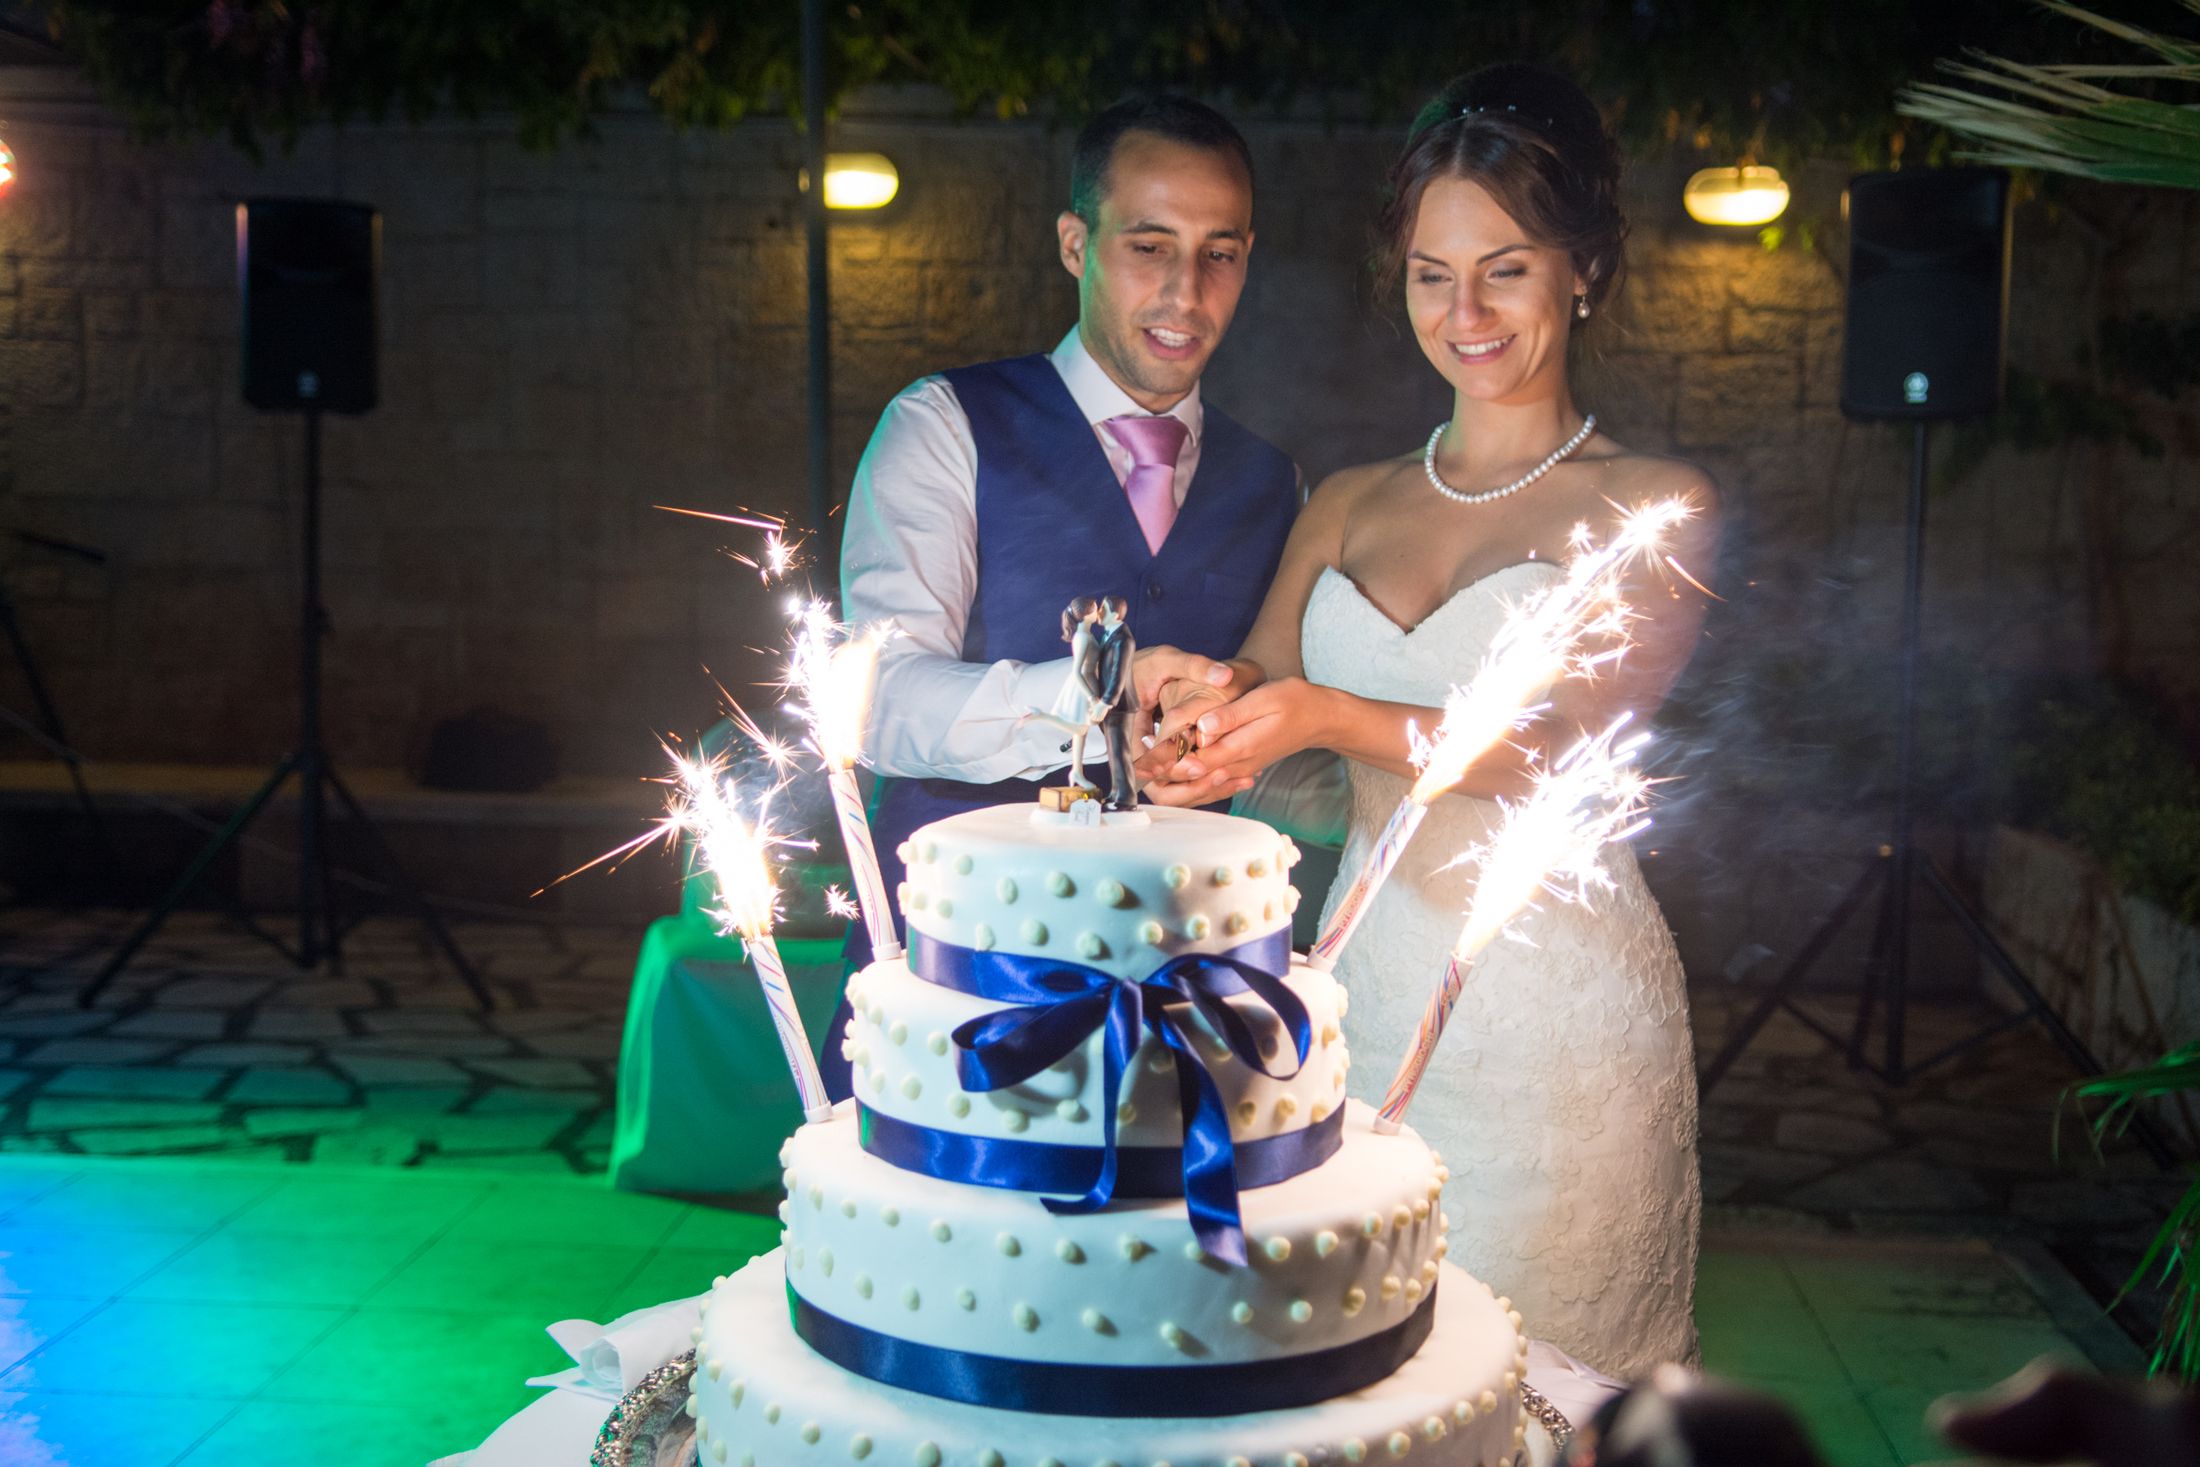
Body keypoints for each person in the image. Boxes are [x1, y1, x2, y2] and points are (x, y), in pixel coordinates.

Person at [1137, 63, 1720, 1377]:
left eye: (1504, 271)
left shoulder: (1655, 504)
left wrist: (1328, 712)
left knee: (1538, 1397)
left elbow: (1563, 749)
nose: (1464, 314)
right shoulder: (1347, 500)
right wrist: (1192, 723)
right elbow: (1260, 711)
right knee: (1354, 1399)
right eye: (1429, 274)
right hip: (1349, 1008)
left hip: (1556, 1032)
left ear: (1584, 268)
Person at [824, 94, 1302, 1097]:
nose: (1185, 291)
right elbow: (879, 702)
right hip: (960, 993)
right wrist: (1091, 697)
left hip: (1193, 1007)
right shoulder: (944, 423)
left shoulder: (1278, 484)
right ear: (1075, 244)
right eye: (1149, 246)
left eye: (1218, 253)